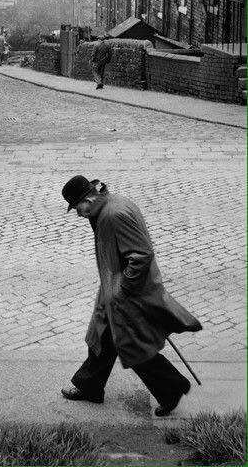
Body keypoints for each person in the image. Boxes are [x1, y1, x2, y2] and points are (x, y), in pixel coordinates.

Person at [60, 175, 202, 417]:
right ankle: (90, 385)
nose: (78, 214)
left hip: (127, 291)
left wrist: (123, 288)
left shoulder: (113, 215)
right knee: (102, 333)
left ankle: (171, 387)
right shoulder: (109, 207)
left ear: (89, 198)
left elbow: (141, 254)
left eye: (77, 207)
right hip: (114, 286)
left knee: (129, 342)